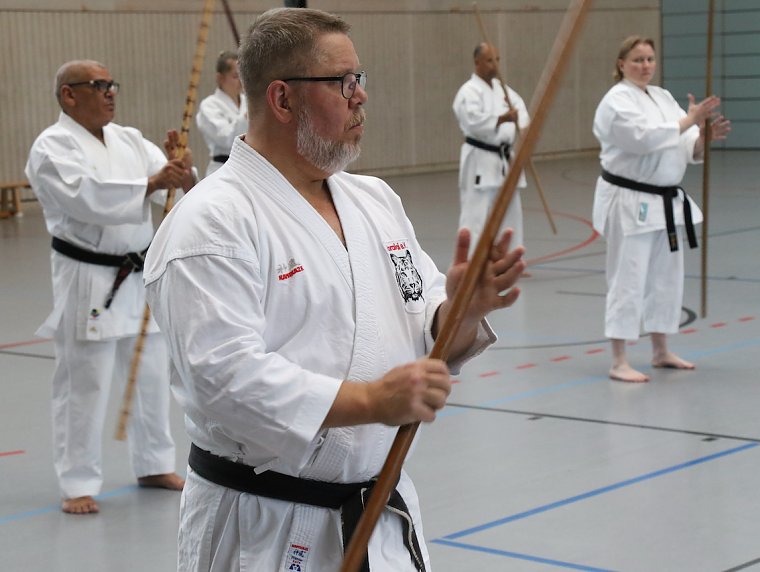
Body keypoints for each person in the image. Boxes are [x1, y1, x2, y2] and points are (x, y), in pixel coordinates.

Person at [143, 8, 525, 571]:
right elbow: (225, 383)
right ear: (283, 99)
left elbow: (428, 327)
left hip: (377, 518)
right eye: (343, 82)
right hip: (264, 531)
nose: (360, 97)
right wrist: (372, 401)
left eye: (360, 80)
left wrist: (464, 312)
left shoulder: (374, 201)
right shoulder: (212, 222)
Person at [24, 60, 193, 514]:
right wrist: (154, 180)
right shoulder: (51, 147)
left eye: (111, 84)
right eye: (99, 86)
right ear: (68, 95)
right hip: (90, 279)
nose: (110, 92)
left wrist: (181, 169)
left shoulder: (129, 139)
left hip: (138, 276)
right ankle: (77, 481)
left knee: (153, 374)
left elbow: (171, 191)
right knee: (86, 382)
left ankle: (155, 463)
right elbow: (86, 197)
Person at [591, 36, 730, 383]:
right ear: (621, 64)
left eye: (650, 59)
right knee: (628, 277)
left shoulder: (663, 97)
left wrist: (701, 138)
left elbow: (682, 145)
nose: (645, 66)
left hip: (665, 202)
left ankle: (660, 349)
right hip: (629, 201)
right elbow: (643, 139)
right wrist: (689, 121)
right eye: (637, 59)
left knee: (665, 278)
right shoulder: (615, 102)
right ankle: (619, 359)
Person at [453, 42, 529, 256]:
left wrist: (523, 130)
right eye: (489, 60)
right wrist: (504, 118)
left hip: (504, 158)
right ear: (477, 62)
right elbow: (472, 121)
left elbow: (520, 110)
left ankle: (511, 256)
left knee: (511, 209)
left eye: (497, 60)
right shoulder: (468, 92)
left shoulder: (503, 89)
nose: (495, 65)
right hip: (480, 158)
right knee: (475, 211)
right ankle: (469, 258)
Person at [195, 50, 248, 177]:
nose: (240, 81)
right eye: (235, 76)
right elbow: (226, 138)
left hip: (249, 167)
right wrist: (247, 116)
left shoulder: (248, 101)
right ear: (220, 78)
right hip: (222, 169)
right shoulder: (209, 106)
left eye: (242, 75)